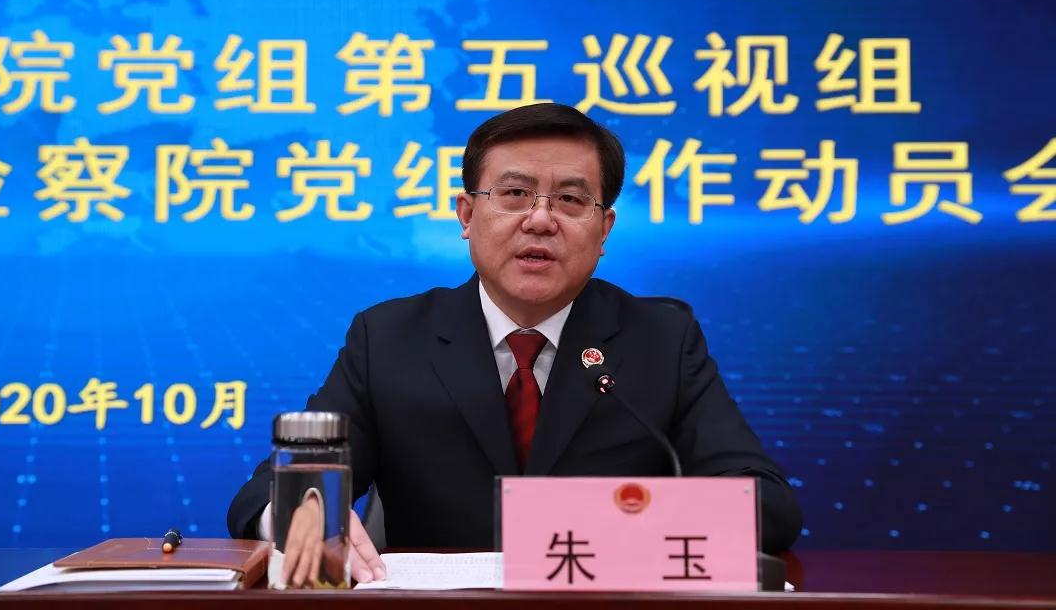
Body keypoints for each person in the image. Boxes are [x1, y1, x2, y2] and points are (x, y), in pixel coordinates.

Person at [228, 103, 802, 586]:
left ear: (604, 230)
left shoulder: (660, 339)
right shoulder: (389, 337)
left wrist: (610, 529)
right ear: (467, 214)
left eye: (571, 201)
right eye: (515, 193)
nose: (540, 220)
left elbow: (768, 505)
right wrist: (305, 514)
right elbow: (259, 496)